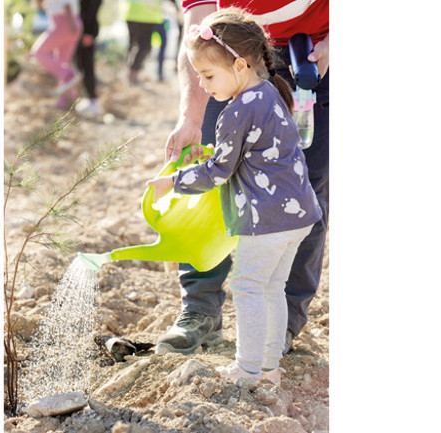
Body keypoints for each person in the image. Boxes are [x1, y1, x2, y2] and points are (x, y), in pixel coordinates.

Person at [147, 8, 321, 384]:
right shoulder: (273, 92)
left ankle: (246, 368)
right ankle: (269, 368)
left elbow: (218, 172)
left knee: (247, 287)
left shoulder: (236, 111)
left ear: (240, 65)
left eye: (208, 76)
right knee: (273, 288)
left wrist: (173, 182)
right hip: (299, 216)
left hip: (267, 220)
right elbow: (249, 155)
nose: (203, 85)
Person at [30, 0, 83, 109]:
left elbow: (67, 4)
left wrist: (70, 21)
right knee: (62, 62)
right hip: (71, 23)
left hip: (66, 23)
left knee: (38, 52)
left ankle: (69, 74)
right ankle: (68, 99)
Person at [74, 0, 104, 116]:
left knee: (86, 65)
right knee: (80, 64)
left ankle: (92, 99)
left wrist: (88, 32)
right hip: (79, 30)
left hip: (86, 31)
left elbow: (92, 9)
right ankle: (88, 98)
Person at [124, 0, 164, 85]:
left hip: (148, 15)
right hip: (138, 14)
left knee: (144, 47)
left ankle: (133, 74)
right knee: (138, 46)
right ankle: (131, 74)